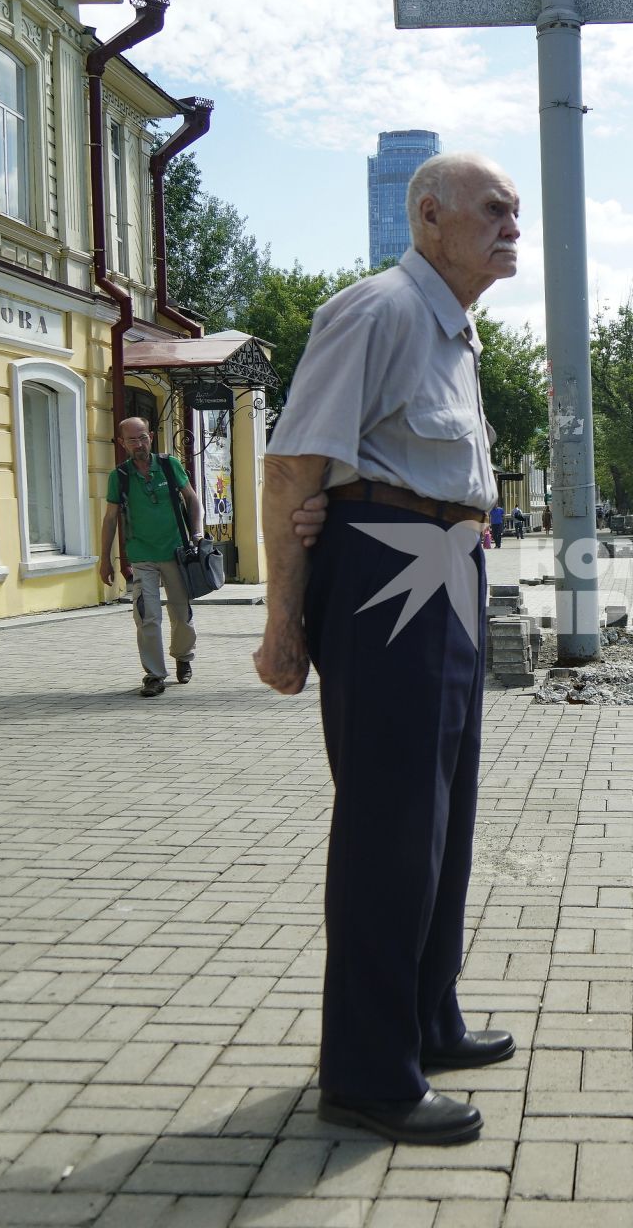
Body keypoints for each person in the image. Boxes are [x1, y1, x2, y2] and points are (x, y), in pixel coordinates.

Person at [254, 152, 519, 1147]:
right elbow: (290, 465)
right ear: (427, 216)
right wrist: (282, 622)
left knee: (446, 809)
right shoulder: (375, 310)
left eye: (515, 212)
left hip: (447, 557)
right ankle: (367, 1070)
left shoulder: (453, 329)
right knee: (391, 823)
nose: (510, 226)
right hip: (387, 561)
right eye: (492, 209)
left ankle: (426, 1017)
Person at [98, 417, 202, 697]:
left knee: (181, 612)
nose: (139, 444)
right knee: (147, 615)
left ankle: (183, 656)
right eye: (132, 439)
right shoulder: (118, 476)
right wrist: (105, 559)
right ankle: (154, 674)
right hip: (141, 554)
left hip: (176, 552)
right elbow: (110, 520)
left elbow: (191, 499)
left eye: (142, 437)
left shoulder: (170, 465)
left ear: (151, 437)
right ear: (122, 443)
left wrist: (197, 534)